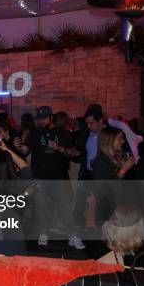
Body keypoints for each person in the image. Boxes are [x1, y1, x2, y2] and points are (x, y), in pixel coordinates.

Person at [21, 106, 85, 249]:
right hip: (39, 177)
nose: (41, 121)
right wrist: (16, 145)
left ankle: (72, 235)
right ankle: (43, 233)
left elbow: (74, 153)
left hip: (58, 177)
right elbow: (24, 151)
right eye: (39, 119)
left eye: (44, 118)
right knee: (40, 207)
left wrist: (59, 148)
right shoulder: (35, 133)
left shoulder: (62, 133)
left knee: (65, 207)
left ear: (51, 118)